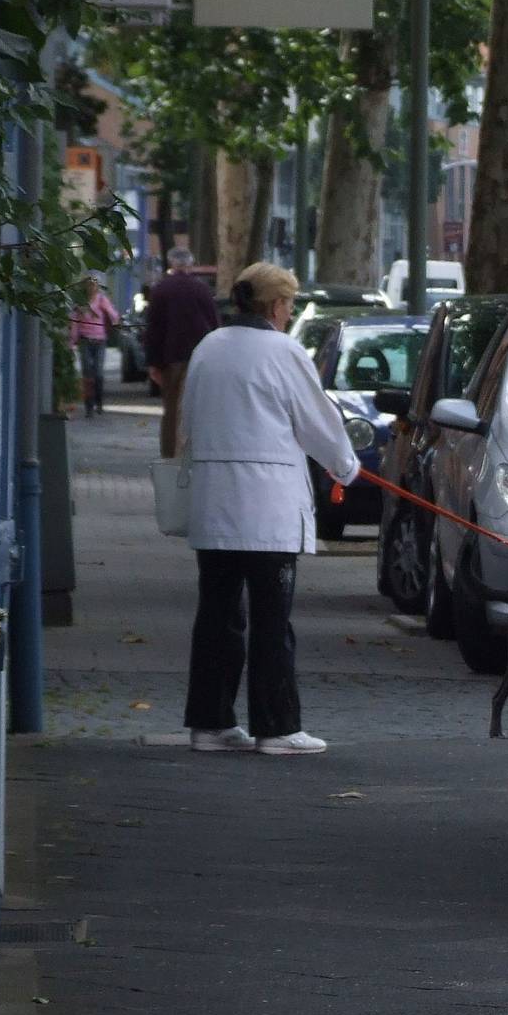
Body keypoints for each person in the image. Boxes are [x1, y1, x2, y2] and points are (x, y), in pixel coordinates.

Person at [176, 262, 359, 756]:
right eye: (291, 304)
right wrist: (347, 469)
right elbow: (317, 421)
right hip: (267, 508)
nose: (290, 312)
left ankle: (210, 723)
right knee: (272, 621)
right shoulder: (284, 352)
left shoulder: (207, 348)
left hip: (214, 504)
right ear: (278, 306)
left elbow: (186, 420)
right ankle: (276, 727)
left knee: (216, 617)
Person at [145, 247, 220, 457]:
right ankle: (196, 454)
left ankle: (170, 457)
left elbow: (154, 329)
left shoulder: (160, 289)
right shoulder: (202, 289)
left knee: (172, 411)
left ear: (171, 264)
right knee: (198, 409)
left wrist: (153, 363)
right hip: (201, 357)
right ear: (190, 264)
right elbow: (215, 324)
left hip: (172, 359)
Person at [68, 274, 119, 418]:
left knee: (98, 372)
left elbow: (113, 314)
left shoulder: (102, 300)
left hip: (100, 340)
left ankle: (99, 402)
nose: (91, 287)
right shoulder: (80, 303)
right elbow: (74, 322)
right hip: (85, 341)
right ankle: (89, 405)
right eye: (89, 284)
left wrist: (114, 318)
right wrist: (72, 341)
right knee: (87, 374)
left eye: (94, 284)